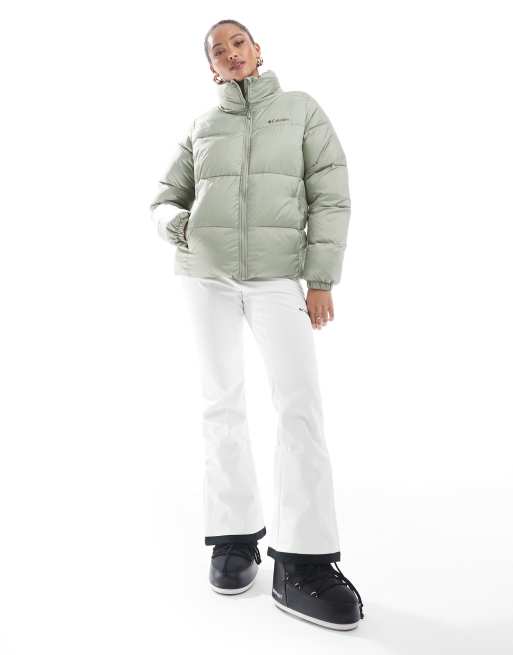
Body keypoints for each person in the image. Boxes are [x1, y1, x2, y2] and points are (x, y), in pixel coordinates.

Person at [149, 19, 364, 630]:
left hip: (276, 278)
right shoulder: (202, 126)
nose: (230, 53)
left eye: (237, 42)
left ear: (257, 49)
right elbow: (165, 197)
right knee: (221, 403)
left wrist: (320, 278)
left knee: (299, 406)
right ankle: (234, 537)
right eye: (218, 50)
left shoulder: (301, 110)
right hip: (205, 278)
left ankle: (304, 561)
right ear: (211, 68)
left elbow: (330, 193)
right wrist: (178, 225)